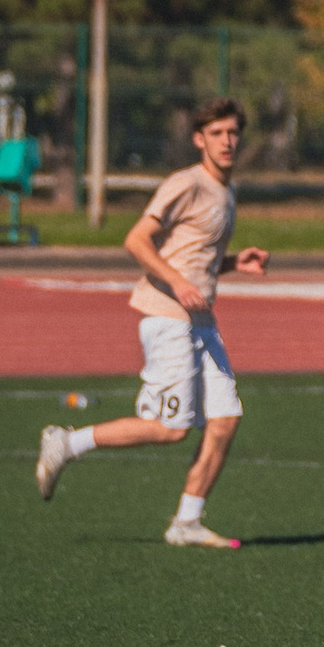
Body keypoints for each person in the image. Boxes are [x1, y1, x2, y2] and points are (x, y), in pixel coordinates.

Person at [34, 100, 270, 548]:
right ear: (199, 139)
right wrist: (178, 283)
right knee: (171, 428)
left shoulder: (226, 190)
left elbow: (196, 259)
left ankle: (186, 523)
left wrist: (237, 262)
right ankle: (66, 442)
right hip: (168, 319)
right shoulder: (187, 183)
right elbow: (136, 240)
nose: (227, 141)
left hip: (200, 321)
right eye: (217, 133)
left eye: (233, 133)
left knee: (224, 421)